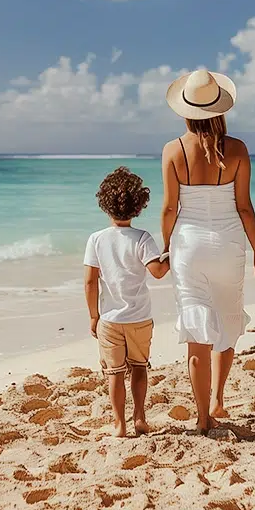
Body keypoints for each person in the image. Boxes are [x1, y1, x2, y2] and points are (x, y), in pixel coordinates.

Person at [160, 69, 255, 434]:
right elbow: (245, 207)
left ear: (185, 110)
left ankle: (203, 416)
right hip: (229, 244)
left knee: (196, 328)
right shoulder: (237, 149)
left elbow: (169, 208)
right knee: (227, 319)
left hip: (188, 246)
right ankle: (220, 397)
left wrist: (164, 246)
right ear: (220, 109)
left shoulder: (173, 150)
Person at [84, 167, 171, 438]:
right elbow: (157, 272)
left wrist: (93, 316)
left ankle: (119, 424)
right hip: (139, 318)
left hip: (110, 319)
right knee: (139, 368)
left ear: (105, 205)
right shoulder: (142, 238)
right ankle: (141, 418)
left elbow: (89, 282)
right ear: (138, 205)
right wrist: (171, 252)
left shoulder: (96, 240)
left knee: (114, 373)